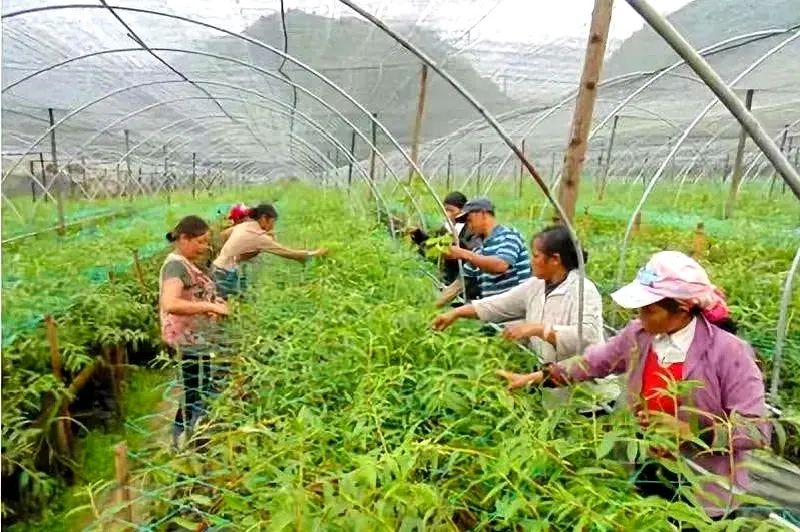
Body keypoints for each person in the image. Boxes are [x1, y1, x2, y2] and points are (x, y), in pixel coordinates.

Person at [496, 251, 769, 518]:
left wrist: (692, 430)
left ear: (683, 309)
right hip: (650, 467)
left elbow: (757, 430)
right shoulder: (640, 336)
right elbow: (594, 362)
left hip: (704, 486)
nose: (641, 316)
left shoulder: (730, 353)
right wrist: (536, 378)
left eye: (649, 310)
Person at [432, 225, 619, 408]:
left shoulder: (583, 290)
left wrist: (537, 329)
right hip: (557, 394)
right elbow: (498, 305)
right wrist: (456, 313)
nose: (531, 261)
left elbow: (587, 336)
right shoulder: (535, 286)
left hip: (591, 400)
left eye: (536, 256)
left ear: (555, 259)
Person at [159, 216, 228, 449]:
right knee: (192, 390)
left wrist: (213, 301)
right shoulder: (175, 265)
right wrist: (209, 306)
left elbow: (195, 294)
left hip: (197, 337)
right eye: (200, 241)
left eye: (206, 242)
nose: (204, 247)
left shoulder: (186, 263)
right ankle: (180, 441)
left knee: (200, 385)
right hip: (186, 339)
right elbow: (171, 303)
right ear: (184, 239)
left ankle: (195, 432)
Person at [211, 203, 328, 298]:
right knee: (231, 304)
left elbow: (223, 235)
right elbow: (289, 253)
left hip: (217, 268)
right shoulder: (259, 237)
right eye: (272, 222)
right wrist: (316, 253)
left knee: (230, 300)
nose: (273, 226)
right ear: (264, 218)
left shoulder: (245, 226)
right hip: (225, 274)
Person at [436, 197, 531, 307]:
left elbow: (500, 265)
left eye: (469, 220)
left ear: (483, 214)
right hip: (495, 314)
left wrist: (463, 253)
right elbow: (459, 284)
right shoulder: (480, 249)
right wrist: (431, 309)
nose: (469, 226)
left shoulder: (509, 236)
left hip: (517, 313)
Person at [407, 191, 483, 301]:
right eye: (445, 210)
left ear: (463, 211)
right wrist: (419, 236)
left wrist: (457, 243)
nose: (447, 214)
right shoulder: (445, 229)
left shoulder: (472, 230)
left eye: (451, 210)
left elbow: (473, 256)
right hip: (447, 280)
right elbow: (435, 251)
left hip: (467, 284)